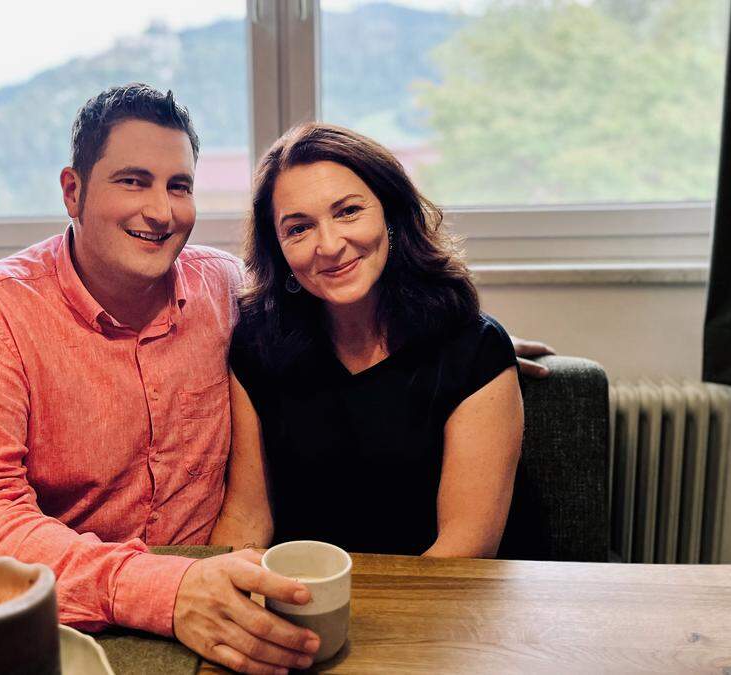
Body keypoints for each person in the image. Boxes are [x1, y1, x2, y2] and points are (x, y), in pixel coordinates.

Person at [0, 84, 553, 675]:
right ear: (73, 191)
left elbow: (352, 306)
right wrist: (167, 590)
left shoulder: (223, 290)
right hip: (79, 614)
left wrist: (470, 345)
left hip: (244, 605)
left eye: (179, 185)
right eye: (133, 181)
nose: (159, 210)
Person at [211, 123, 524, 558]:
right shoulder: (258, 344)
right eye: (299, 228)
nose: (330, 244)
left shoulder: (474, 350)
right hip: (297, 598)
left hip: (430, 602)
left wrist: (362, 621)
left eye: (348, 212)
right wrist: (219, 590)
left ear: (391, 216)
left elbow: (464, 547)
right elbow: (247, 514)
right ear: (278, 249)